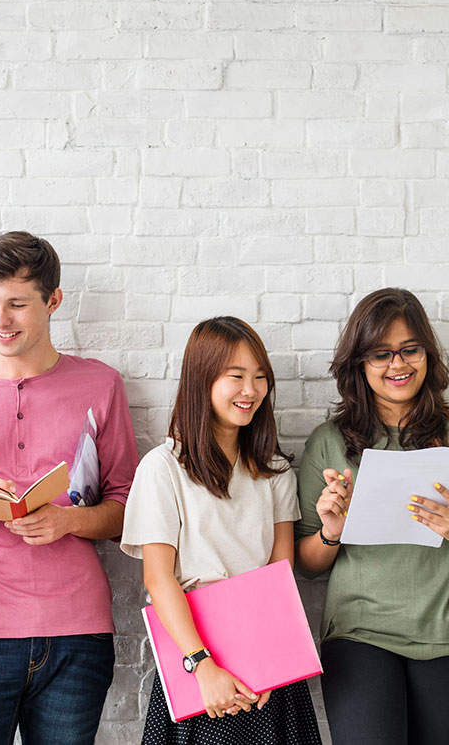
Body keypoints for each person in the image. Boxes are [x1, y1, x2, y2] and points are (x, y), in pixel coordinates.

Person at [0, 231, 139, 745]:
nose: (1, 320)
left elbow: (126, 509)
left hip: (78, 633)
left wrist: (68, 520)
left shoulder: (100, 384)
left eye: (18, 304)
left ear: (53, 301)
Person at [296, 288, 449, 745]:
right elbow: (306, 565)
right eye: (381, 354)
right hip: (359, 634)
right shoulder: (329, 442)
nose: (398, 365)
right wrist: (332, 531)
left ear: (427, 354)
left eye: (410, 350)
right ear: (359, 362)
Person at [121, 316, 323, 745]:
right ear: (202, 380)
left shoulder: (276, 472)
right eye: (236, 377)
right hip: (196, 659)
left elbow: (280, 573)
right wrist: (202, 664)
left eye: (260, 378)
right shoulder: (163, 468)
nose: (250, 391)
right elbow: (158, 579)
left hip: (267, 661)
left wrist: (272, 663)